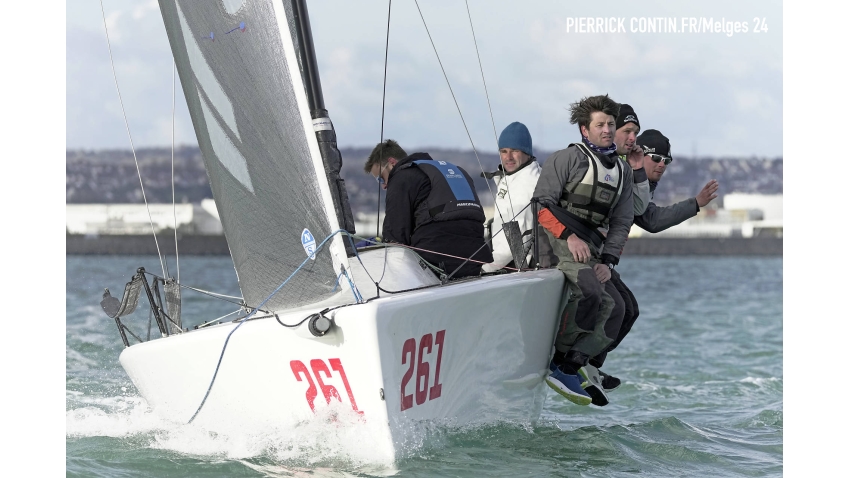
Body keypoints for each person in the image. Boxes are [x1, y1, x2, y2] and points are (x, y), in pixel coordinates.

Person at [532, 94, 633, 406]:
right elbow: (540, 206)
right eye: (600, 125)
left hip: (591, 245)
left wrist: (608, 260)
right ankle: (561, 362)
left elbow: (622, 221)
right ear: (584, 130)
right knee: (589, 290)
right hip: (557, 237)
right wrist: (569, 237)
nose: (606, 130)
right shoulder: (567, 159)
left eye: (611, 124)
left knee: (624, 308)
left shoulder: (623, 171)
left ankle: (580, 362)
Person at [364, 139, 493, 278]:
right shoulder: (456, 170)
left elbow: (394, 237)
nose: (383, 186)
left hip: (435, 259)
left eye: (381, 178)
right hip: (476, 255)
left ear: (392, 162)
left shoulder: (401, 176)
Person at [481, 122, 543, 272]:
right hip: (506, 263)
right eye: (503, 151)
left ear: (526, 151)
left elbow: (516, 243)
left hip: (517, 268)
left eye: (514, 151)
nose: (508, 157)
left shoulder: (526, 184)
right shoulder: (514, 176)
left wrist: (485, 268)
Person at [632, 129, 719, 234]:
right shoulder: (625, 182)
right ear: (638, 156)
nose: (662, 164)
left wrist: (696, 203)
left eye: (666, 160)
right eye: (656, 158)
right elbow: (653, 220)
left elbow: (652, 219)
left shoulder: (637, 187)